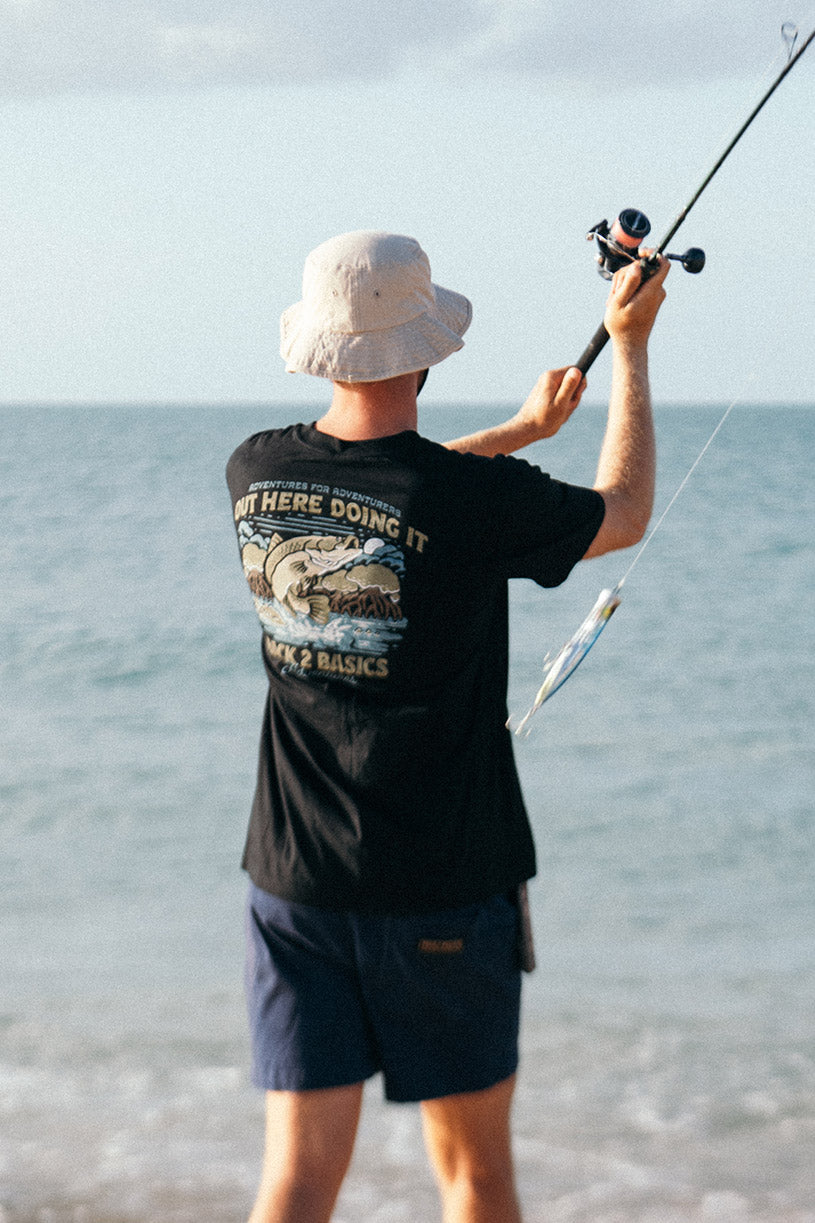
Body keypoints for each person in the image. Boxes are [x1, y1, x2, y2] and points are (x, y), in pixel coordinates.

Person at [226, 230, 669, 1222]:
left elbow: (383, 502)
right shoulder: (472, 503)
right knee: (470, 1178)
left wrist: (514, 433)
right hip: (442, 885)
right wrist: (627, 345)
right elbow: (625, 510)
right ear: (425, 353)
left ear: (318, 348)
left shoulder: (252, 472)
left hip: (294, 884)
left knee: (295, 1181)